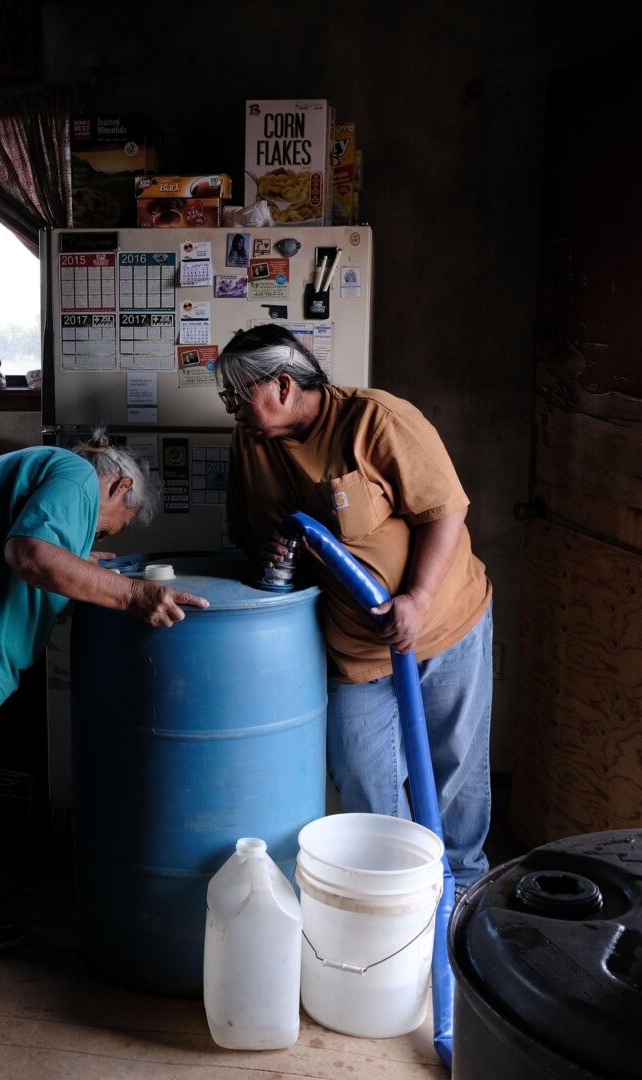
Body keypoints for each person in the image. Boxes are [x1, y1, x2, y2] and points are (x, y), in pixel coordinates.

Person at [0, 435, 205, 1017]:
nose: (95, 539)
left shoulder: (36, 465)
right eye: (105, 531)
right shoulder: (75, 474)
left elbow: (38, 544)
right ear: (119, 486)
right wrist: (132, 592)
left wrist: (81, 559)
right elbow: (32, 554)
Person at [217, 324, 495, 889]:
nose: (232, 412)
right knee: (364, 777)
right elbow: (247, 532)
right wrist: (266, 547)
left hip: (441, 624)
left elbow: (446, 510)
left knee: (452, 767)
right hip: (354, 646)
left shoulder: (376, 419)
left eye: (238, 398)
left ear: (284, 385)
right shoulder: (250, 444)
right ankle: (393, 893)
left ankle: (461, 889)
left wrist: (416, 597)